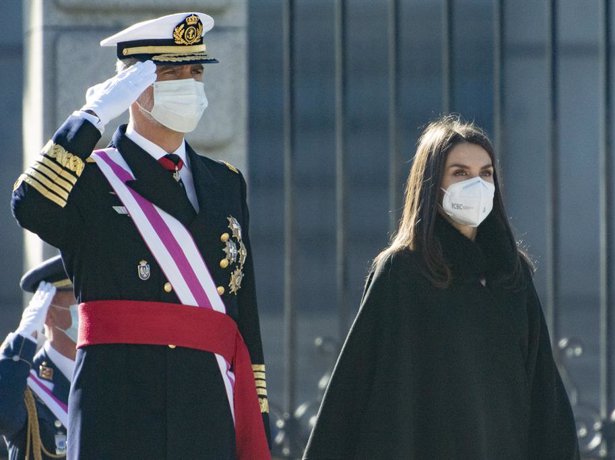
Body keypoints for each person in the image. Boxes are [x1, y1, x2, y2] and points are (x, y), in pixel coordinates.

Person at [11, 12, 270, 460]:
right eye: (172, 73)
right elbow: (30, 204)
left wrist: (256, 412)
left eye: (196, 72)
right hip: (119, 411)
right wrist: (90, 118)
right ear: (134, 88)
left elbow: (242, 310)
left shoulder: (226, 182)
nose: (190, 84)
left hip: (207, 406)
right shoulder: (90, 180)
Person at [303, 115, 580, 459]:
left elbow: (543, 392)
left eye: (486, 173)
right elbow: (354, 389)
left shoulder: (510, 274)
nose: (476, 184)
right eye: (460, 173)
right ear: (433, 184)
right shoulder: (403, 272)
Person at [0, 256, 77, 459]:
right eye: (80, 300)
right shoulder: (25, 384)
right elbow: (3, 415)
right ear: (48, 313)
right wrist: (23, 338)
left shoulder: (108, 379)